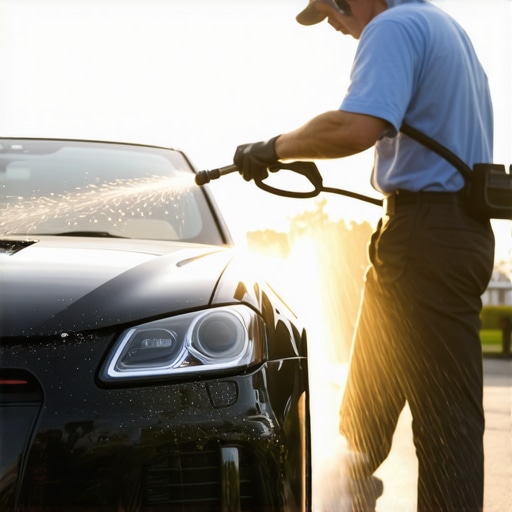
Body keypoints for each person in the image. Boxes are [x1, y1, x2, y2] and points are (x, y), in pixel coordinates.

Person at [233, 0, 495, 511]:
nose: (331, 23)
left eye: (331, 10)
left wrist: (273, 147)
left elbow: (352, 128)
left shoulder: (393, 26)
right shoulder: (444, 28)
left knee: (446, 428)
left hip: (427, 237)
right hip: (432, 234)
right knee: (363, 421)